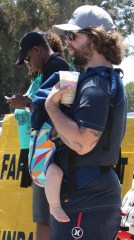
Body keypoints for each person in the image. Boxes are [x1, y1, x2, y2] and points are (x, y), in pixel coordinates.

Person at [42, 5, 127, 240]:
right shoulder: (103, 79)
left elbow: (83, 143)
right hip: (89, 198)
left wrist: (51, 106)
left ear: (95, 38)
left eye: (73, 35)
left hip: (87, 200)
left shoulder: (95, 84)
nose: (67, 42)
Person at [15, 31, 70, 240]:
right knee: (46, 218)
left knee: (45, 220)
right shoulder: (53, 68)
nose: (29, 64)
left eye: (28, 58)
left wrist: (27, 104)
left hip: (50, 151)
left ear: (37, 50)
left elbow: (59, 107)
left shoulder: (58, 68)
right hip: (47, 149)